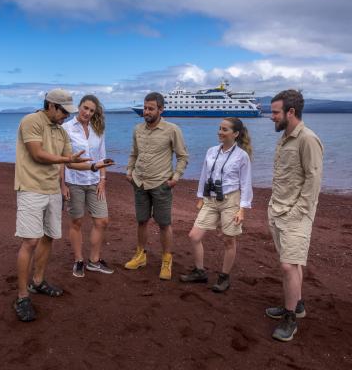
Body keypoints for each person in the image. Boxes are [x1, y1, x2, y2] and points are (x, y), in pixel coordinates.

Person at [13, 88, 113, 322]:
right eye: (63, 111)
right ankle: (21, 296)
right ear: (50, 105)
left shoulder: (60, 131)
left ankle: (38, 282)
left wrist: (93, 167)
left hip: (52, 191)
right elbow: (37, 154)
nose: (67, 115)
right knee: (30, 241)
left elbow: (72, 161)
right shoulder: (31, 121)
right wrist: (68, 160)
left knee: (49, 237)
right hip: (31, 188)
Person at [265, 90, 323, 341]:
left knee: (288, 266)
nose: (271, 117)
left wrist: (298, 212)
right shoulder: (284, 138)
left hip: (295, 214)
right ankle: (296, 305)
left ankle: (290, 319)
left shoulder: (307, 139)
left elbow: (313, 180)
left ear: (291, 112)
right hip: (277, 210)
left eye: (275, 112)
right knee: (293, 264)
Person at [179, 117, 253, 292]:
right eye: (220, 128)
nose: (220, 132)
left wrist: (242, 209)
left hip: (231, 200)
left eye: (225, 129)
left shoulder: (242, 156)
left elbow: (246, 183)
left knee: (229, 240)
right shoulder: (212, 151)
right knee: (194, 236)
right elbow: (205, 175)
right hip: (210, 200)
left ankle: (224, 277)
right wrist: (201, 196)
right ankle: (200, 272)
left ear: (235, 134)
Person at [124, 92, 189, 280]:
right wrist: (129, 171)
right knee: (141, 221)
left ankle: (167, 261)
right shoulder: (137, 129)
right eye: (145, 108)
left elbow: (183, 156)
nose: (146, 111)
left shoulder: (172, 129)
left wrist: (176, 178)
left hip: (161, 184)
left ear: (161, 109)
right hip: (139, 183)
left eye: (150, 108)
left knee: (164, 224)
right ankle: (140, 256)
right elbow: (133, 153)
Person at [61, 95, 113, 277]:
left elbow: (102, 155)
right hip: (74, 181)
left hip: (95, 181)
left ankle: (94, 260)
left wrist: (103, 179)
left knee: (102, 221)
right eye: (85, 108)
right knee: (76, 222)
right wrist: (63, 185)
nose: (87, 113)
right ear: (79, 106)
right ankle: (78, 260)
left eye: (91, 110)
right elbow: (63, 160)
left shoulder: (97, 129)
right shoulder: (66, 128)